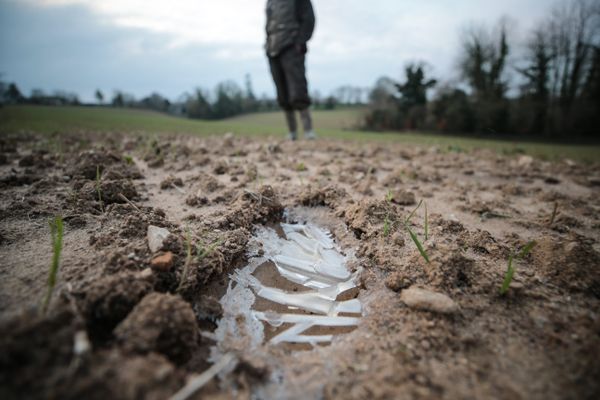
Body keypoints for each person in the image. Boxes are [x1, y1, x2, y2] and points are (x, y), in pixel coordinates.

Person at [265, 0, 316, 141]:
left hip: (291, 45)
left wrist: (300, 42)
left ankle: (308, 130)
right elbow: (269, 25)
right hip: (273, 49)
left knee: (298, 89)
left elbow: (309, 19)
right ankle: (292, 132)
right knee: (282, 92)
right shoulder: (270, 2)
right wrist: (267, 44)